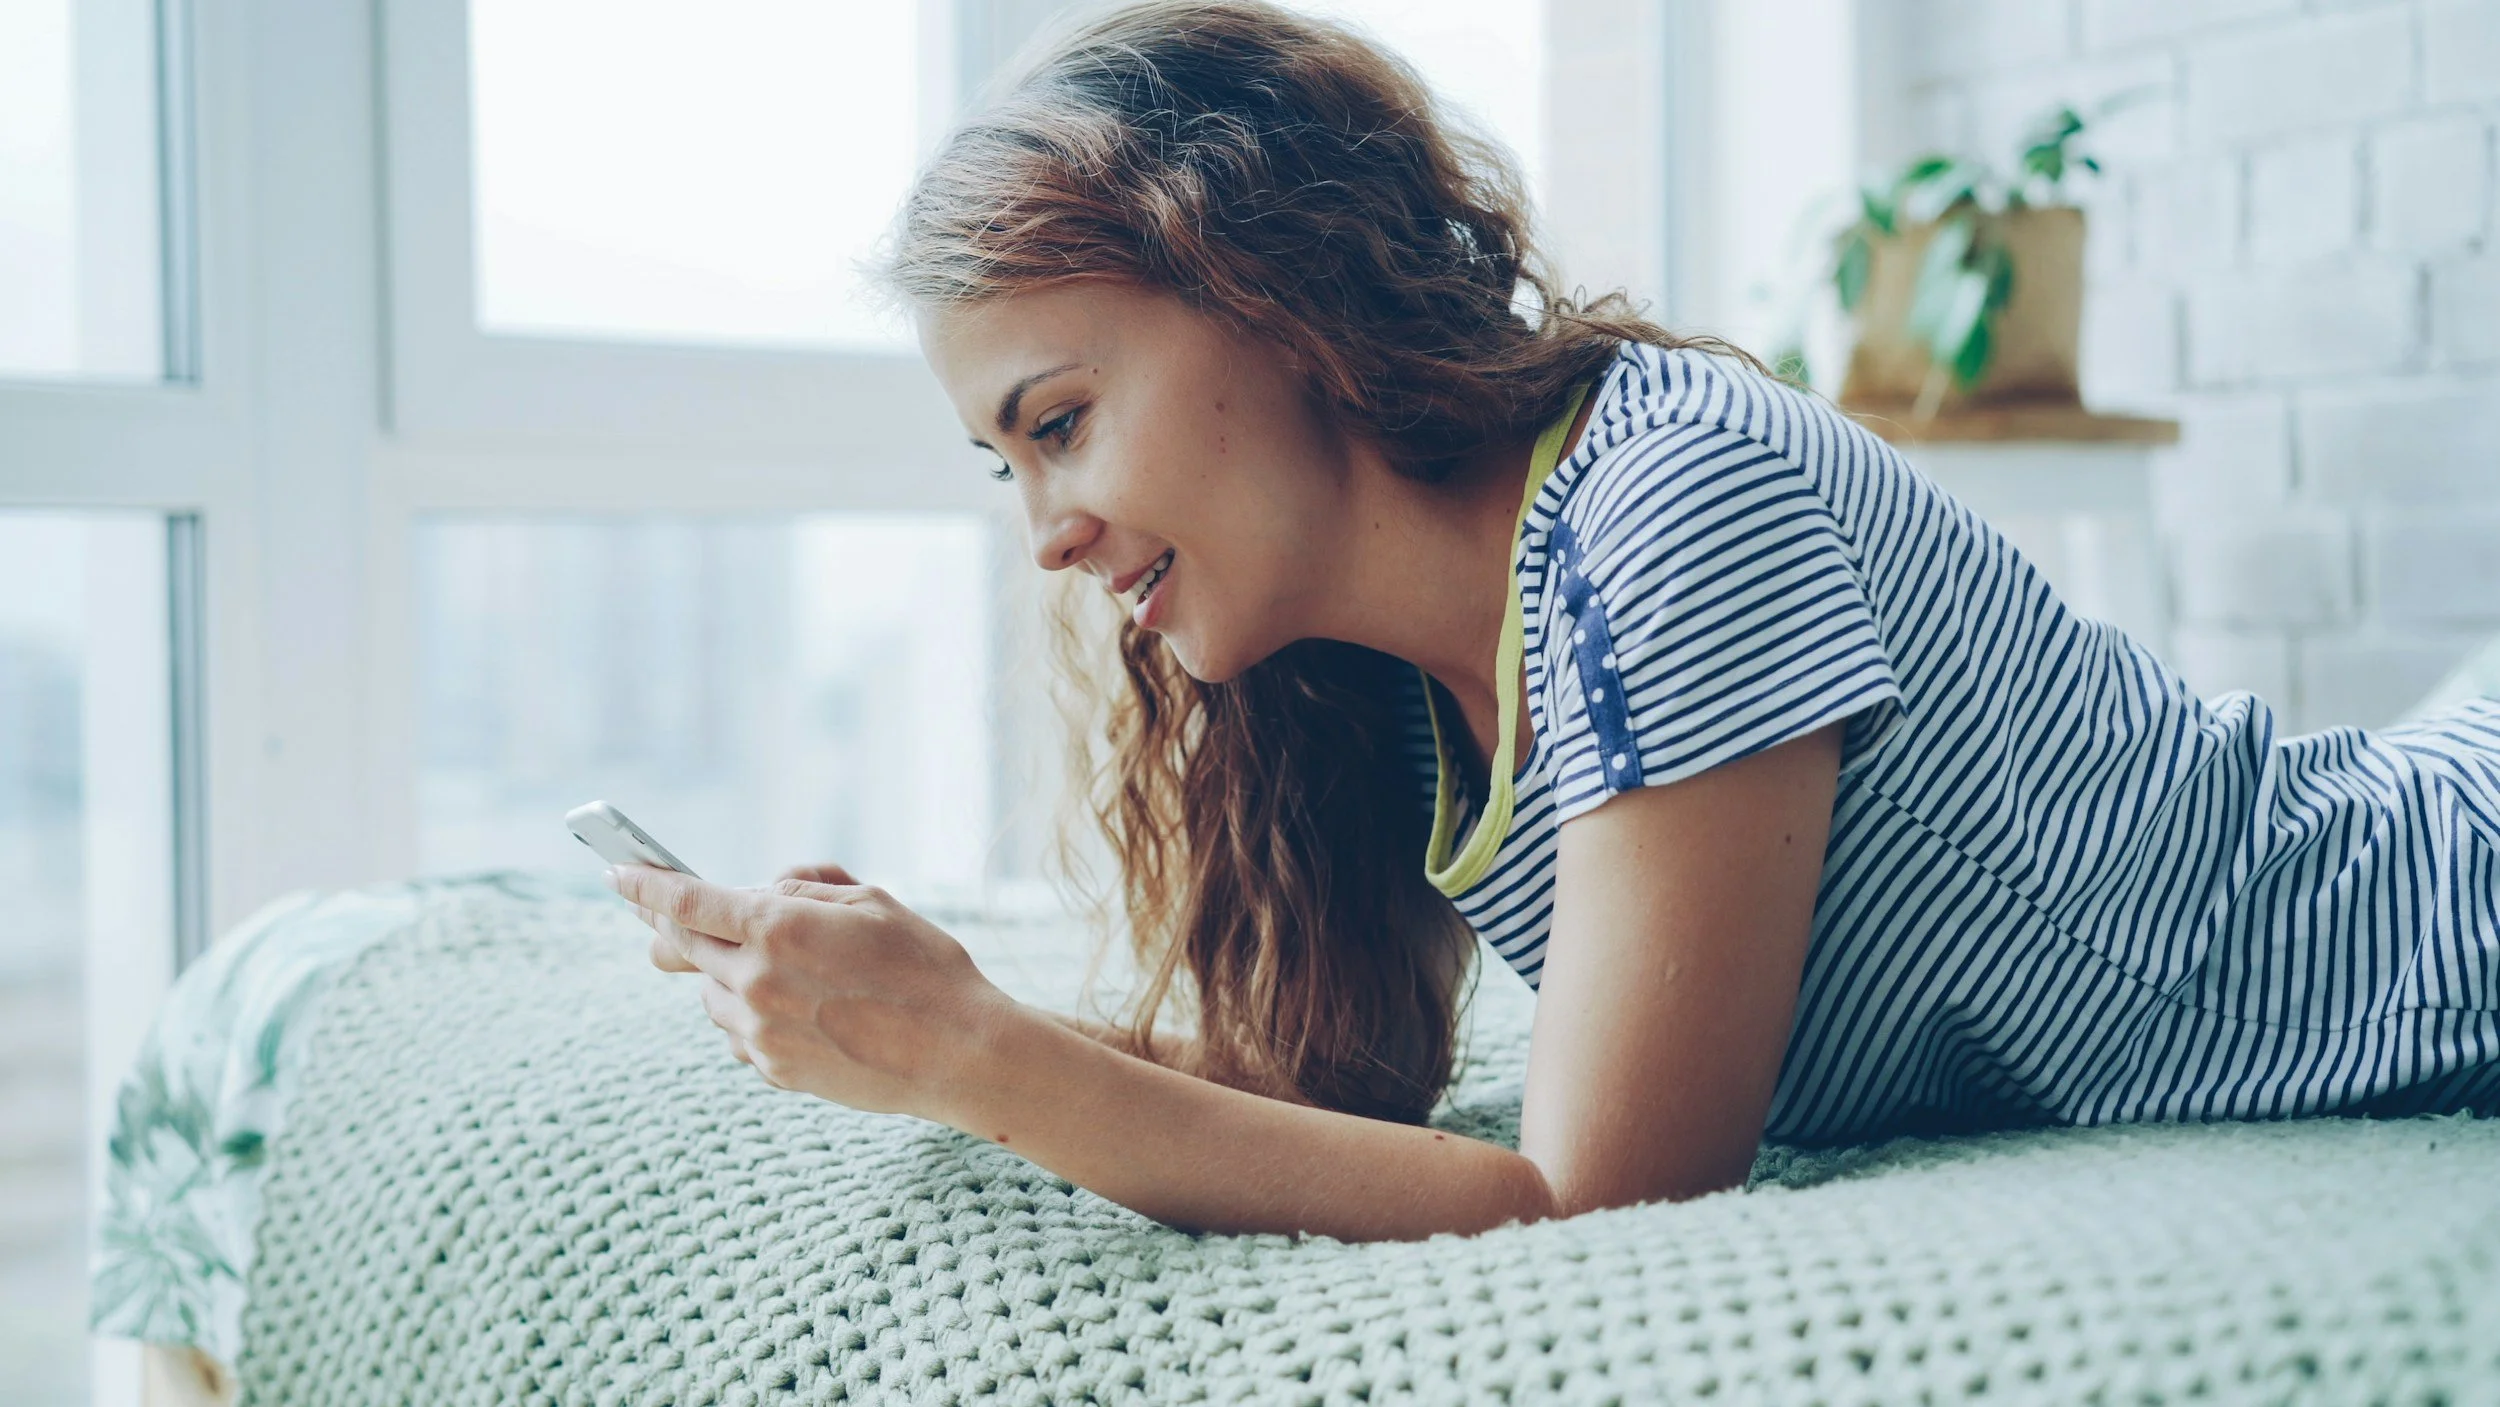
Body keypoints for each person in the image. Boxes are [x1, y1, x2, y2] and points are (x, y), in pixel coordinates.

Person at [609, 0, 2500, 1243]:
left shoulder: (1669, 498)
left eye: (1059, 423)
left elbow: (1592, 1192)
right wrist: (951, 1017)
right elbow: (1349, 1119)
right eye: (1001, 466)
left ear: (1262, 288)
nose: (1045, 529)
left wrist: (977, 1062)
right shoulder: (1384, 681)